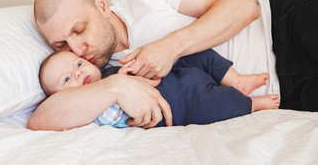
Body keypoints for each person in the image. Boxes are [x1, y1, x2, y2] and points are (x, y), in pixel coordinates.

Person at [28, 0, 318, 131]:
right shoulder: (91, 76)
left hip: (281, 27)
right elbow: (39, 121)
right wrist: (114, 88)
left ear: (101, 5)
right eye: (61, 45)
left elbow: (244, 7)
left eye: (79, 30)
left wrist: (171, 46)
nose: (77, 49)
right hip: (285, 93)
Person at [39, 49, 279, 128]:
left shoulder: (111, 70)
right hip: (184, 103)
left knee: (199, 53)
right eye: (67, 80)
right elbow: (114, 114)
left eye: (78, 64)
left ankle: (238, 80)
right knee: (219, 105)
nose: (78, 72)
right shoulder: (93, 112)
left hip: (180, 73)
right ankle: (254, 104)